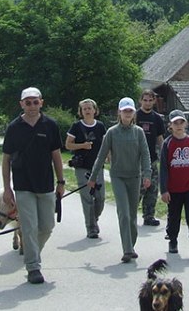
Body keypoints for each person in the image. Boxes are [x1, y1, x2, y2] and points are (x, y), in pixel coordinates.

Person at [2, 87, 65, 284]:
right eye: (27, 102)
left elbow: (56, 155)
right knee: (29, 228)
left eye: (35, 102)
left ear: (41, 103)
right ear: (21, 104)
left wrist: (61, 182)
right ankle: (33, 267)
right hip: (23, 186)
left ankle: (32, 252)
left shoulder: (50, 125)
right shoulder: (14, 128)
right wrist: (6, 188)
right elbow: (6, 159)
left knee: (47, 226)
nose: (32, 106)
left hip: (45, 184)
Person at [88, 97, 151, 263]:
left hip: (134, 177)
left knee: (132, 215)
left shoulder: (138, 132)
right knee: (123, 213)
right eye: (125, 111)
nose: (127, 114)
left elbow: (145, 154)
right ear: (119, 113)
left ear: (133, 113)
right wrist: (93, 177)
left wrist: (147, 174)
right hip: (118, 177)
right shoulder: (111, 132)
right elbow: (101, 156)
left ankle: (131, 244)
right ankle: (127, 249)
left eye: (130, 111)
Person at [160, 109, 189, 259]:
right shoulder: (168, 144)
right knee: (174, 215)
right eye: (176, 123)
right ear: (170, 126)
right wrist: (164, 190)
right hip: (173, 188)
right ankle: (172, 240)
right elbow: (163, 169)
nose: (179, 126)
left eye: (181, 122)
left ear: (185, 124)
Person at [65, 98, 107, 239]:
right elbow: (68, 145)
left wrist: (109, 157)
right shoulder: (76, 126)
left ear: (95, 110)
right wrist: (82, 145)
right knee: (87, 198)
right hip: (82, 167)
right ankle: (91, 228)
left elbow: (107, 144)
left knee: (100, 198)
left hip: (98, 167)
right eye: (85, 109)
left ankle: (94, 220)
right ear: (81, 112)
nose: (88, 111)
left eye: (90, 108)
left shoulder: (100, 126)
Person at [136, 89, 166, 226]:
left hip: (152, 158)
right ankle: (130, 214)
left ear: (154, 101)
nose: (147, 103)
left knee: (152, 188)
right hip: (137, 159)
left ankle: (149, 216)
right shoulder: (135, 116)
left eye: (150, 100)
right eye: (145, 100)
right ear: (140, 101)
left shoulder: (157, 118)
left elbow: (160, 139)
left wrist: (164, 153)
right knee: (139, 188)